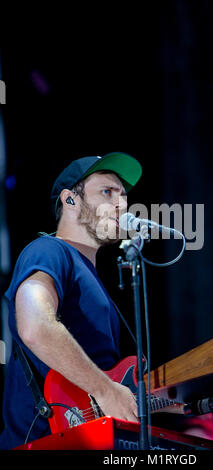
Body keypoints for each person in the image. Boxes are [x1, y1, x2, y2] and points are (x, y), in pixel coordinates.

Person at [0, 152, 143, 450]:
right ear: (70, 200)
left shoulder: (92, 278)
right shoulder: (49, 251)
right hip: (43, 441)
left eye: (124, 196)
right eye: (107, 192)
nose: (122, 205)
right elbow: (35, 326)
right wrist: (105, 390)